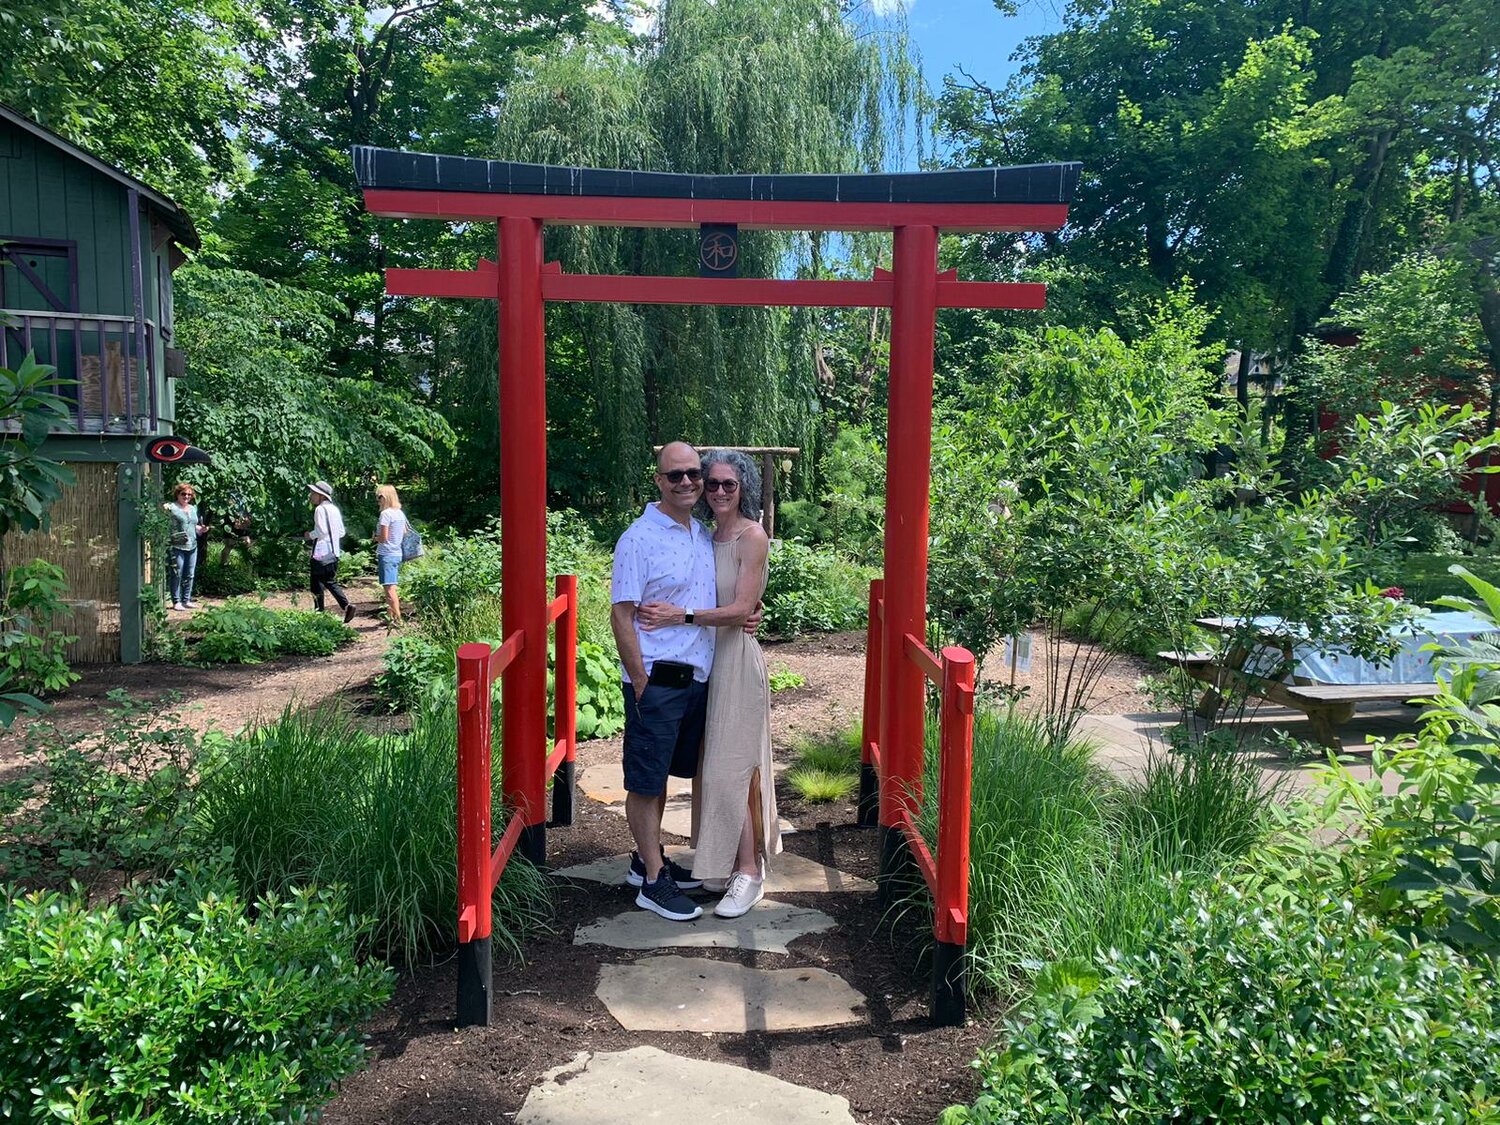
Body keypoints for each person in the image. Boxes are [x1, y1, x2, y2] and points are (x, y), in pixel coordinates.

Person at [639, 449, 778, 918]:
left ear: (744, 489)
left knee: (731, 769)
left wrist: (684, 616)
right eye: (711, 482)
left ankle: (749, 872)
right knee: (709, 768)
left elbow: (741, 608)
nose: (718, 491)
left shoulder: (750, 536)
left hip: (735, 661)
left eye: (728, 485)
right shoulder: (700, 535)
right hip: (702, 664)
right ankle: (719, 863)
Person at [610, 441, 719, 922]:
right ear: (659, 480)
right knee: (647, 779)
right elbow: (621, 615)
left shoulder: (700, 533)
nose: (687, 482)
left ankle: (644, 858)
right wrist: (639, 682)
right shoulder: (638, 538)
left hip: (696, 678)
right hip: (657, 678)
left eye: (694, 473)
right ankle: (654, 881)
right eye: (675, 475)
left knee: (670, 774)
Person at [305, 480, 356, 623]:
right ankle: (345, 606)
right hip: (334, 552)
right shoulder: (334, 509)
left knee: (316, 584)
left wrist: (310, 535)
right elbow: (341, 532)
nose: (311, 495)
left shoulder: (320, 509)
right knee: (328, 581)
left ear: (321, 496)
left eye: (313, 493)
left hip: (320, 553)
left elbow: (321, 531)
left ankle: (320, 613)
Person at [162, 482, 206, 611]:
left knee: (190, 574)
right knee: (177, 573)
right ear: (178, 494)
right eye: (183, 494)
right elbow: (165, 524)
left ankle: (187, 599)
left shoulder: (193, 508)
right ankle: (176, 601)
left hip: (192, 545)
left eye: (189, 494)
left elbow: (193, 526)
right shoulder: (171, 508)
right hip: (177, 545)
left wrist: (201, 529)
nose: (186, 496)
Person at [374, 483, 408, 625]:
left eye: (379, 496)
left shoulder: (385, 514)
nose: (378, 500)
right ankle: (390, 618)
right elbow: (405, 532)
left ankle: (398, 620)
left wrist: (375, 538)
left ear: (385, 497)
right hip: (397, 553)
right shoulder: (399, 513)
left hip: (386, 554)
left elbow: (383, 537)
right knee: (391, 586)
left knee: (389, 589)